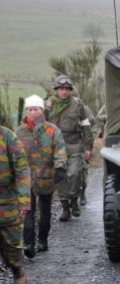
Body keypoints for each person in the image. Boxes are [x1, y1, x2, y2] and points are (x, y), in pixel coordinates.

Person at [16, 94, 67, 258]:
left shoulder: (52, 130)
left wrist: (60, 165)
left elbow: (60, 148)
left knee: (45, 210)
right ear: (26, 110)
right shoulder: (19, 131)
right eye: (30, 109)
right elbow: (13, 153)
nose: (32, 112)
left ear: (42, 110)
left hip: (46, 176)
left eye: (36, 109)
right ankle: (29, 244)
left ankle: (43, 240)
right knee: (28, 211)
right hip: (25, 179)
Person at [45, 75, 94, 221]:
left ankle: (74, 199)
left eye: (67, 89)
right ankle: (65, 207)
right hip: (56, 146)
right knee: (61, 177)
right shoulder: (49, 105)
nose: (64, 92)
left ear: (70, 90)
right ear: (56, 90)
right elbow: (40, 126)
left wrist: (88, 147)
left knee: (74, 173)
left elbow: (86, 126)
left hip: (74, 144)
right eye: (61, 89)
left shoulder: (78, 105)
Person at [0, 125, 31, 284]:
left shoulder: (7, 137)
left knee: (14, 259)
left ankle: (19, 276)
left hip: (8, 207)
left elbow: (22, 171)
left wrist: (24, 201)